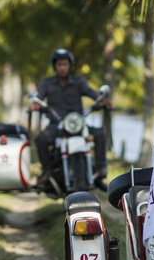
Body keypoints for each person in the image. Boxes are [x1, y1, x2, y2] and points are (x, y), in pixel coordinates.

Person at [30, 49, 113, 184]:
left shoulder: (78, 81)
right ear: (55, 66)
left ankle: (100, 169)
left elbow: (92, 93)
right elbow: (38, 97)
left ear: (70, 66)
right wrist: (35, 104)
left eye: (65, 64)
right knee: (41, 139)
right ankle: (47, 172)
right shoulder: (47, 83)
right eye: (59, 64)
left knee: (99, 134)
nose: (62, 68)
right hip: (56, 125)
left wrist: (103, 101)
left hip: (77, 124)